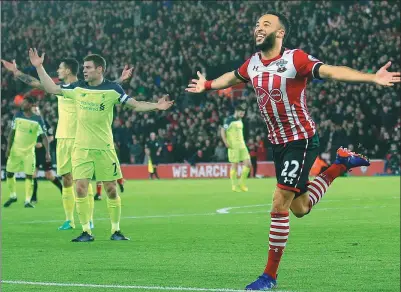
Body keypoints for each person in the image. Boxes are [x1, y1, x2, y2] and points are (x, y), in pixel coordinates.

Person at [186, 11, 400, 290]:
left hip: (301, 139)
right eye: (257, 25)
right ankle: (340, 164)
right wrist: (209, 85)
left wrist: (371, 78)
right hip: (278, 144)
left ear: (280, 32)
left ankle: (269, 276)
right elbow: (233, 77)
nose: (258, 29)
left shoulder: (294, 58)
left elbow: (331, 71)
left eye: (266, 24)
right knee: (300, 208)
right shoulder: (252, 63)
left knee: (279, 203)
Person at [29, 49, 173, 242]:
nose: (84, 71)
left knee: (111, 189)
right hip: (81, 148)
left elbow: (135, 104)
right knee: (80, 188)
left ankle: (116, 230)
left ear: (100, 69)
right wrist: (39, 66)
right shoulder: (77, 88)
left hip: (105, 147)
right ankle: (86, 231)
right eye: (84, 68)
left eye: (88, 68)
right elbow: (51, 88)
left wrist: (156, 105)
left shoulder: (113, 90)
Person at [1, 58, 132, 230]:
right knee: (67, 179)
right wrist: (16, 73)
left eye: (60, 68)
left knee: (81, 180)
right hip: (63, 137)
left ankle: (88, 220)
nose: (57, 71)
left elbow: (104, 89)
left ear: (68, 70)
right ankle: (69, 220)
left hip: (80, 137)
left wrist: (120, 81)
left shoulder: (82, 87)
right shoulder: (61, 89)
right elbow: (38, 83)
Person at [3, 96, 51, 208]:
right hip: (15, 151)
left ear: (30, 105)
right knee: (9, 173)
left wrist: (47, 152)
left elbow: (44, 137)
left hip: (29, 153)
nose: (22, 104)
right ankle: (13, 195)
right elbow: (12, 133)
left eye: (24, 102)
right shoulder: (17, 116)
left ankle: (27, 201)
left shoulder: (38, 119)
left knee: (29, 175)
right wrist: (8, 148)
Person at [31, 106, 62, 203]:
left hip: (44, 152)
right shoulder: (30, 124)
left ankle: (63, 190)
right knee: (33, 174)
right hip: (34, 152)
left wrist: (41, 144)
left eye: (36, 110)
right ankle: (33, 197)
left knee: (48, 175)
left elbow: (51, 137)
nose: (35, 112)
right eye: (33, 110)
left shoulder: (45, 123)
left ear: (39, 111)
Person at [220, 103, 252, 192]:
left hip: (242, 145)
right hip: (233, 146)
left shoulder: (240, 120)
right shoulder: (229, 120)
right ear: (236, 112)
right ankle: (234, 186)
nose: (242, 115)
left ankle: (241, 183)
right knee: (235, 166)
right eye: (241, 113)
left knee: (248, 164)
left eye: (243, 113)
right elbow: (222, 130)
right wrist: (225, 141)